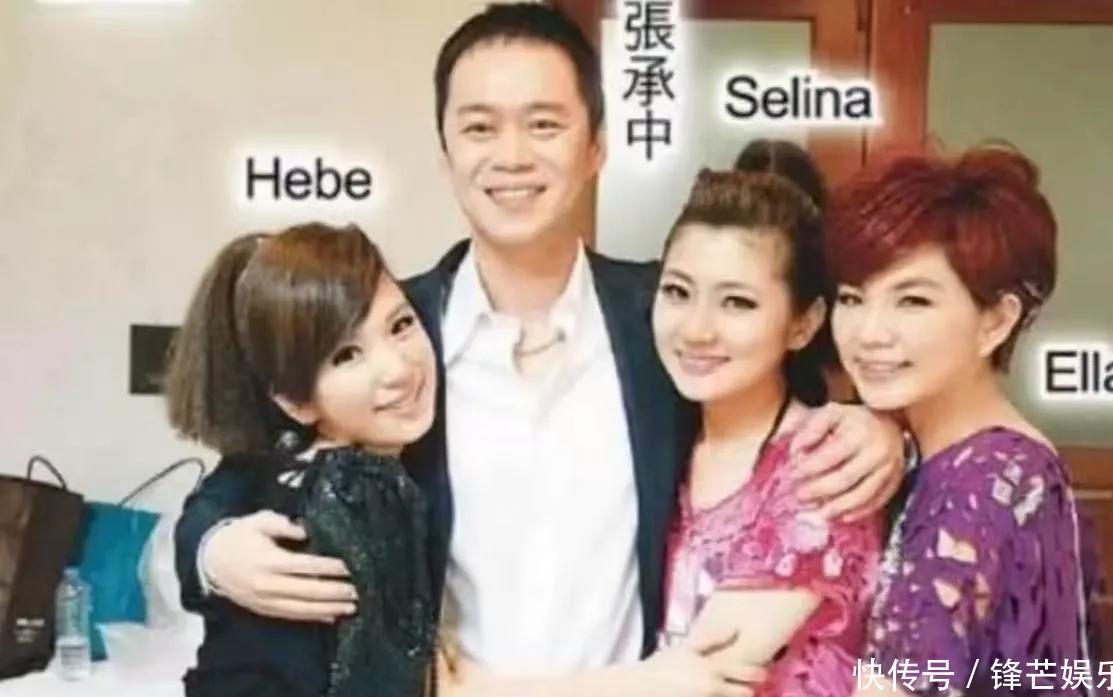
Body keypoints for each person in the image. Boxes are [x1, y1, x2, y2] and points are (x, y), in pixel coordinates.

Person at [175, 4, 907, 693]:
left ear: (596, 147)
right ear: (446, 154)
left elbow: (779, 406)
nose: (512, 156)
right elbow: (250, 471)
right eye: (480, 127)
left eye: (544, 124)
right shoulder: (397, 339)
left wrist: (886, 429)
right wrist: (210, 550)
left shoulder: (665, 319)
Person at [823, 146, 1099, 695]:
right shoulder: (960, 452)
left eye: (913, 301)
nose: (869, 333)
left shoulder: (981, 483)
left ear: (995, 321)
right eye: (852, 299)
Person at [165, 223, 438, 697]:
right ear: (296, 402)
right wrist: (211, 551)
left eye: (400, 326)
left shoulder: (292, 465)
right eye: (347, 355)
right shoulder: (359, 489)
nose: (397, 370)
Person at [653, 169, 880, 697]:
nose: (696, 329)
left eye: (737, 302)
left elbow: (700, 681)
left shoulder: (821, 469)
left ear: (803, 323)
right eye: (678, 292)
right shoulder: (664, 433)